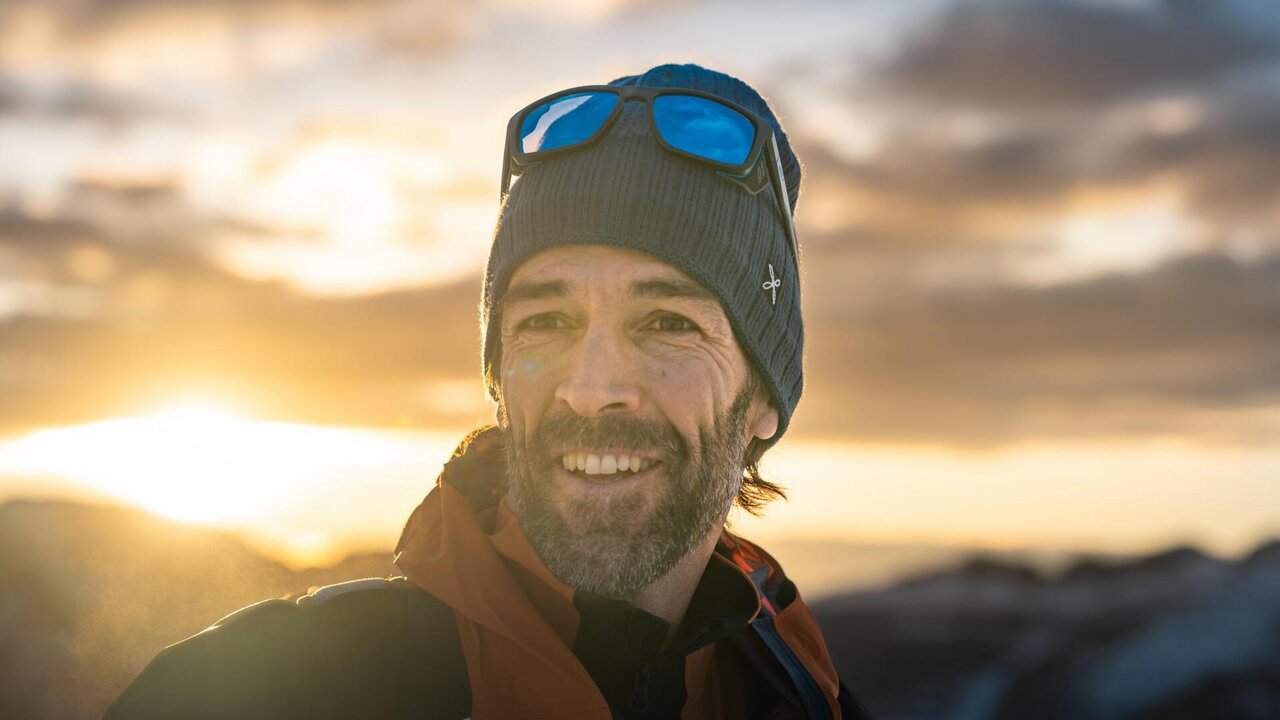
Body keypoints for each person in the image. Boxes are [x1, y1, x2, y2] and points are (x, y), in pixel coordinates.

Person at [104, 63, 874, 719]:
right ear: (500, 379)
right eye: (546, 321)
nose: (591, 389)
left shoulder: (798, 695)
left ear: (763, 397)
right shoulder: (263, 692)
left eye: (668, 321)